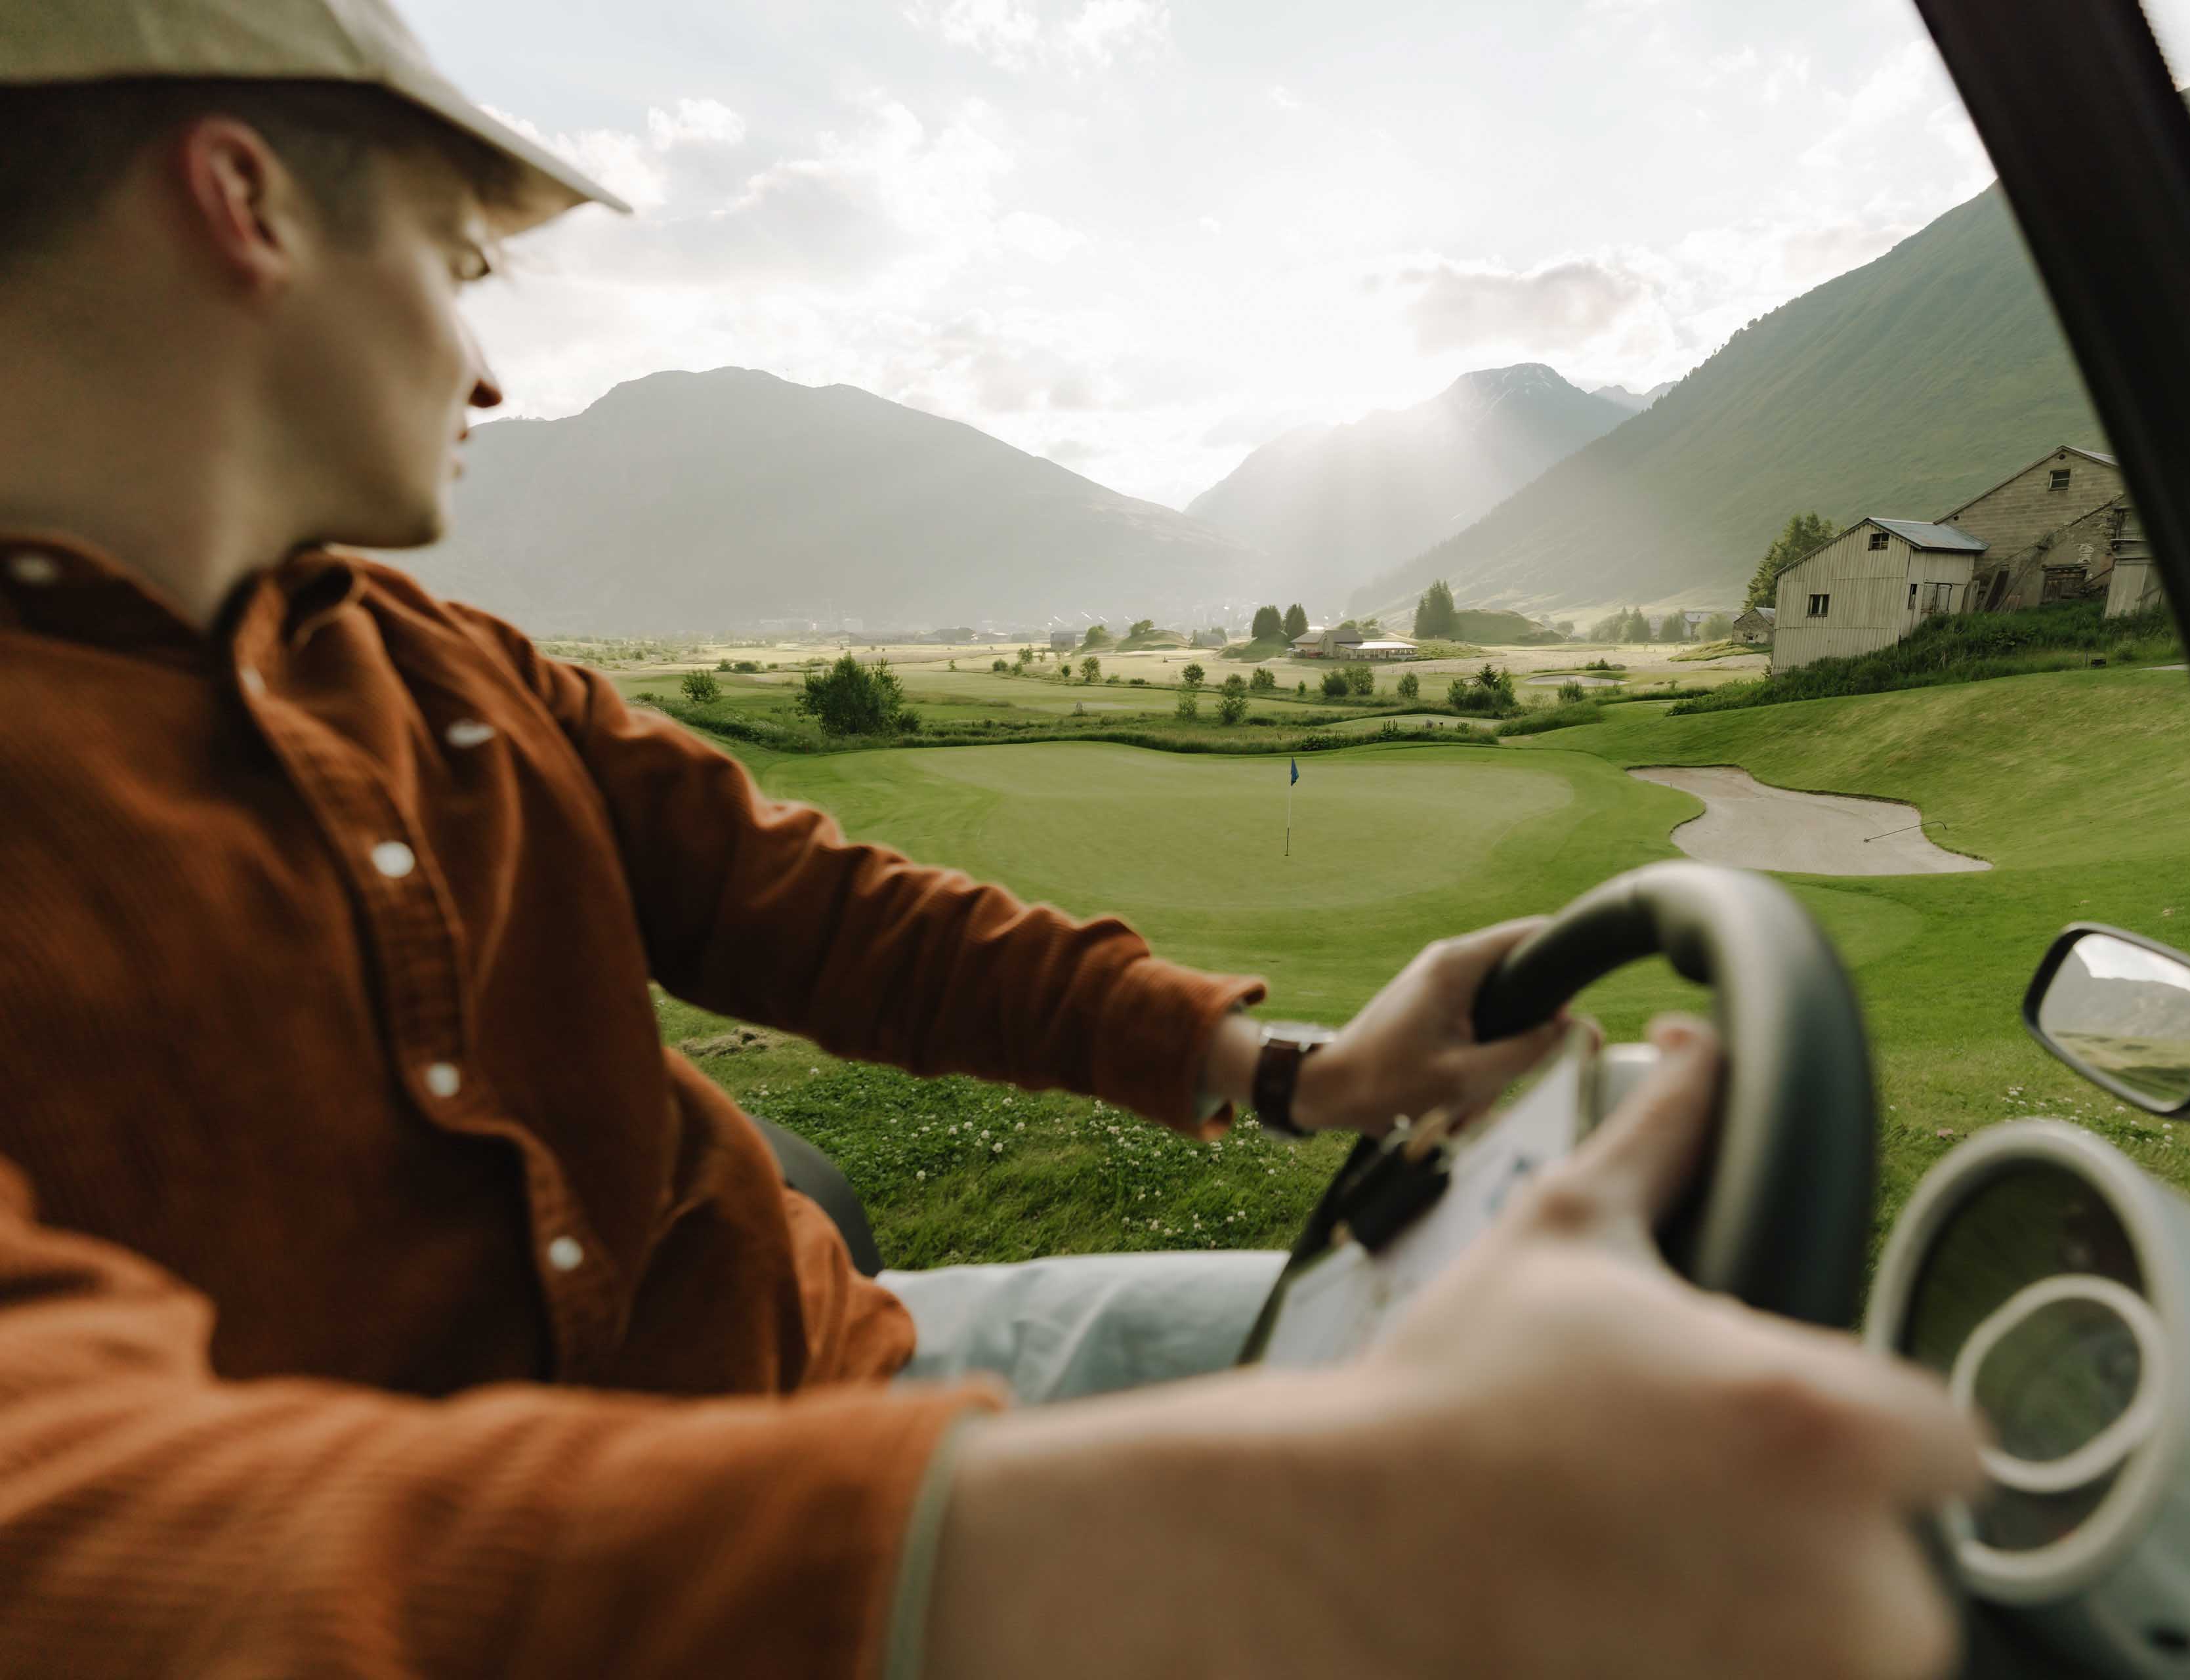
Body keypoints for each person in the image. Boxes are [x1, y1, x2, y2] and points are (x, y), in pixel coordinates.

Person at [0, 2, 1980, 1675]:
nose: (494, 365)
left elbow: (816, 909)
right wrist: (1293, 1538)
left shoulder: (433, 657)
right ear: (244, 200)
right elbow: (69, 1520)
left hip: (866, 1388)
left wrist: (1291, 1067)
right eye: (461, 262)